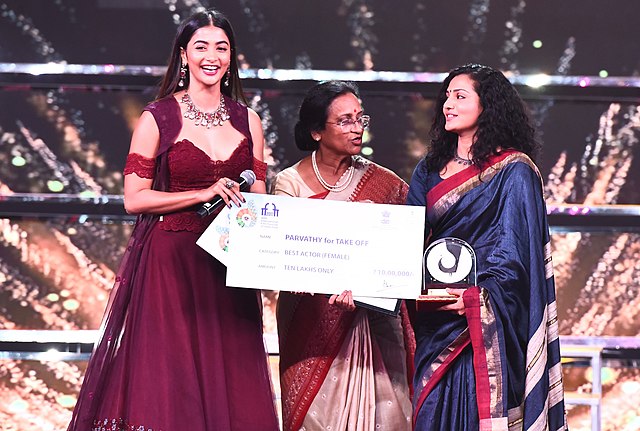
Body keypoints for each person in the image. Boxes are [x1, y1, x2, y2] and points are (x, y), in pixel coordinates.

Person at [67, 9, 279, 431]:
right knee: (174, 379)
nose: (211, 56)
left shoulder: (248, 120)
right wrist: (202, 193)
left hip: (227, 267)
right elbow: (134, 198)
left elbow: (258, 199)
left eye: (222, 47)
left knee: (231, 377)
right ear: (184, 55)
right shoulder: (157, 117)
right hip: (171, 264)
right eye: (201, 46)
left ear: (232, 57)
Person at [406, 63, 567, 430]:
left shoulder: (514, 171)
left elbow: (514, 261)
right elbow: (409, 240)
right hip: (436, 320)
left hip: (485, 322)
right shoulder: (429, 170)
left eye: (460, 96)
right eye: (446, 96)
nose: (448, 104)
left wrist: (475, 300)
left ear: (487, 106)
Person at [273, 80, 415, 431]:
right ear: (317, 131)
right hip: (310, 325)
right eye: (345, 120)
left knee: (386, 416)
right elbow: (284, 257)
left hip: (373, 325)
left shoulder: (386, 184)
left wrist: (369, 285)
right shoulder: (288, 185)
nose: (357, 128)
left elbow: (405, 252)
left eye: (360, 118)